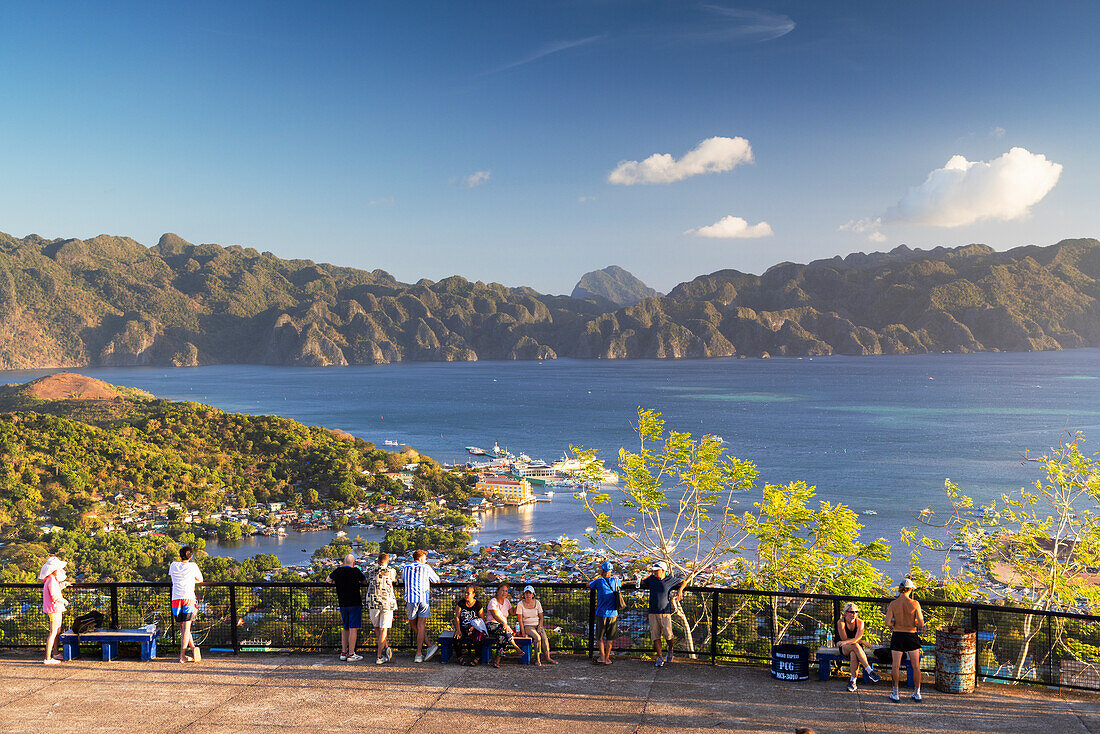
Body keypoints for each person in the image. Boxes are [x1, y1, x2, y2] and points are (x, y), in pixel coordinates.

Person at [638, 562, 687, 668]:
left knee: (669, 635)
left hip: (665, 612)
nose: (654, 572)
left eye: (657, 571)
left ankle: (670, 649)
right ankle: (660, 657)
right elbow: (643, 582)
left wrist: (680, 590)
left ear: (663, 570)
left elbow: (683, 581)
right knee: (655, 636)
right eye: (654, 571)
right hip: (652, 611)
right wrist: (639, 579)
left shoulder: (670, 579)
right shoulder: (651, 579)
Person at [886, 578, 925, 702]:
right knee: (916, 666)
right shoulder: (915, 603)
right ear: (910, 589)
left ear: (900, 589)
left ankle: (896, 693)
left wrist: (896, 622)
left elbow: (887, 623)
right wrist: (912, 622)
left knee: (895, 665)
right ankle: (917, 692)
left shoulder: (893, 604)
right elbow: (920, 623)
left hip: (898, 634)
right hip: (911, 635)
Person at [402, 549, 440, 662]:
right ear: (421, 558)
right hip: (423, 599)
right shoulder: (426, 567)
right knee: (421, 626)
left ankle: (427, 647)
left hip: (410, 599)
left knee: (414, 625)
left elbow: (404, 580)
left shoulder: (406, 567)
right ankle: (420, 652)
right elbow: (436, 580)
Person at [168, 546, 204, 663]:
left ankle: (193, 648)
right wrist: (191, 580)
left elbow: (173, 577)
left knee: (183, 628)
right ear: (191, 556)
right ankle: (182, 656)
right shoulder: (193, 566)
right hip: (188, 598)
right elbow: (200, 579)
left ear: (179, 555)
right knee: (186, 628)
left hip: (176, 598)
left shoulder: (173, 565)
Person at [328, 554, 366, 662]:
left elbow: (328, 580)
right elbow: (365, 581)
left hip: (343, 603)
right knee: (353, 628)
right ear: (353, 563)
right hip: (354, 603)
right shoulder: (356, 572)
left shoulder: (338, 571)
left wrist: (337, 582)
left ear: (344, 562)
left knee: (345, 627)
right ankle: (351, 654)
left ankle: (343, 652)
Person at [836, 602, 881, 691]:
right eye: (852, 612)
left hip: (854, 647)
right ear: (846, 612)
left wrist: (858, 641)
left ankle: (853, 682)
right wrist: (862, 641)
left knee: (854, 653)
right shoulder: (841, 622)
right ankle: (869, 671)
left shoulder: (860, 622)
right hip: (845, 647)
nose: (854, 614)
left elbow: (856, 638)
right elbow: (845, 639)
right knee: (855, 646)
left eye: (856, 612)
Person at [365, 552, 397, 665]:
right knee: (384, 629)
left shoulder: (371, 571)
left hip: (373, 601)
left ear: (377, 561)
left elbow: (367, 580)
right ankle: (379, 656)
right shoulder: (391, 571)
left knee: (377, 627)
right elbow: (394, 580)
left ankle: (386, 647)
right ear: (387, 561)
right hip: (387, 602)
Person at [39, 556, 71, 665]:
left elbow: (54, 590)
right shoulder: (52, 580)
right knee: (53, 632)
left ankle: (55, 653)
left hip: (54, 608)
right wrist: (64, 601)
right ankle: (48, 658)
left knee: (57, 631)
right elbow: (54, 596)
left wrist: (63, 585)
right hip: (54, 609)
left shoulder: (49, 579)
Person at [588, 561, 621, 665]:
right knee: (610, 638)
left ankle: (601, 657)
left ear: (602, 570)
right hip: (613, 613)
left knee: (600, 637)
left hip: (601, 613)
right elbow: (621, 584)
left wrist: (595, 577)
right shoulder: (616, 580)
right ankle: (607, 658)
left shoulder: (598, 581)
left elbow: (589, 585)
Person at [486, 583, 524, 668]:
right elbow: (495, 615)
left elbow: (513, 612)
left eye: (506, 591)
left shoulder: (507, 601)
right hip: (492, 625)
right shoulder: (493, 601)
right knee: (505, 630)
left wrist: (519, 602)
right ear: (498, 591)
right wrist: (503, 623)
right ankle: (516, 647)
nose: (504, 593)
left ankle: (497, 661)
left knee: (502, 638)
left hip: (503, 627)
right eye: (502, 590)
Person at [517, 585, 556, 665]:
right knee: (537, 638)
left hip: (537, 624)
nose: (528, 595)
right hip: (528, 626)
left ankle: (548, 657)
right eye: (526, 593)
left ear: (533, 594)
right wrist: (523, 632)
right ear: (523, 594)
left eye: (529, 593)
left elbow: (541, 617)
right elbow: (520, 620)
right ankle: (537, 658)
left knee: (544, 638)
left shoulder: (537, 603)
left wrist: (539, 627)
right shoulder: (520, 604)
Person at [453, 584, 487, 666]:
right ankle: (460, 658)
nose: (466, 595)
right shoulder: (461, 603)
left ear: (473, 594)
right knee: (456, 639)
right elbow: (457, 617)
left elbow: (481, 619)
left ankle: (477, 657)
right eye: (465, 592)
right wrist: (458, 630)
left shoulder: (478, 604)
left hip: (475, 629)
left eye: (468, 593)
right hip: (463, 628)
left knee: (479, 639)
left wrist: (474, 627)